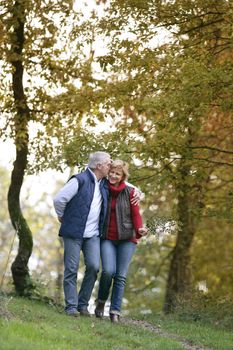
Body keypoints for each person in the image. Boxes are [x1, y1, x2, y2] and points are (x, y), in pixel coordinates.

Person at [53, 152, 140, 317]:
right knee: (71, 269)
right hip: (73, 233)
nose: (111, 165)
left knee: (93, 267)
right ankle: (71, 307)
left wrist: (138, 192)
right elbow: (59, 199)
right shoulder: (79, 180)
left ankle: (82, 305)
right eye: (108, 163)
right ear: (99, 166)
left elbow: (125, 184)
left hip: (92, 235)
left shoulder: (103, 183)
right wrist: (62, 216)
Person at [94, 160, 148, 323]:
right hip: (107, 237)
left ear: (122, 176)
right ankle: (101, 302)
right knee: (108, 271)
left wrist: (140, 229)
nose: (113, 176)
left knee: (120, 275)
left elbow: (136, 214)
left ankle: (115, 311)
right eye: (112, 172)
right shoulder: (102, 187)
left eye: (118, 174)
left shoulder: (130, 191)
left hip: (127, 238)